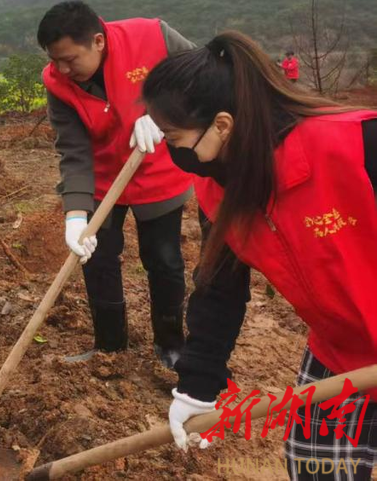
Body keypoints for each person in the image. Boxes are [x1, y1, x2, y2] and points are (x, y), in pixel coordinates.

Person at [142, 31, 377, 481]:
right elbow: (218, 290)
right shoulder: (216, 190)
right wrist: (197, 386)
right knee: (316, 468)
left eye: (173, 137)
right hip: (341, 351)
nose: (171, 151)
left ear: (223, 125)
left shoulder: (352, 145)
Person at [38, 0, 196, 368]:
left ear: (97, 41)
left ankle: (171, 347)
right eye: (54, 60)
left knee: (164, 260)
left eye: (70, 59)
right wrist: (75, 215)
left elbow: (203, 75)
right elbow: (74, 152)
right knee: (98, 260)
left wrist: (164, 112)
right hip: (102, 180)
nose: (62, 69)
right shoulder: (58, 83)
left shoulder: (153, 36)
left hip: (157, 170)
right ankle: (109, 348)